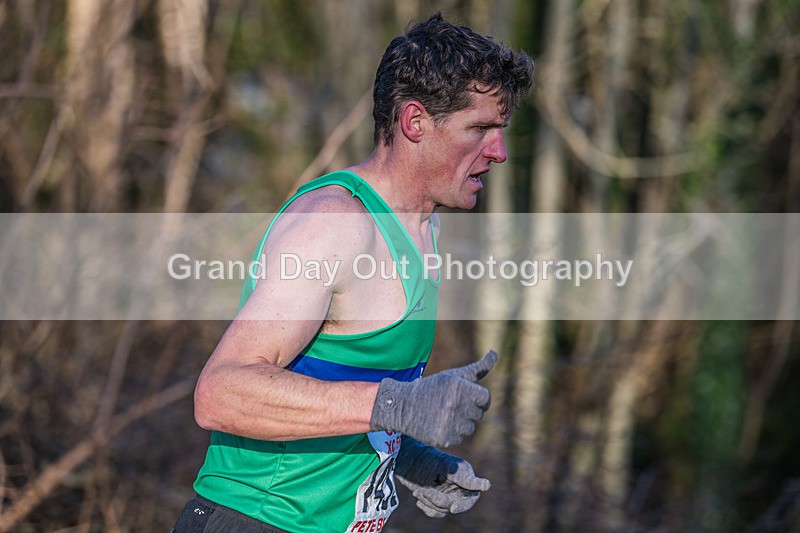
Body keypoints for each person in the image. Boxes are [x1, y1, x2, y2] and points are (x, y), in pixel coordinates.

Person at [173, 12, 533, 533]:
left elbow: (335, 378)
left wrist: (405, 456)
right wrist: (397, 406)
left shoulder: (421, 228)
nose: (498, 152)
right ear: (415, 122)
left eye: (499, 132)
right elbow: (221, 393)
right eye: (479, 129)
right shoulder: (336, 224)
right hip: (254, 519)